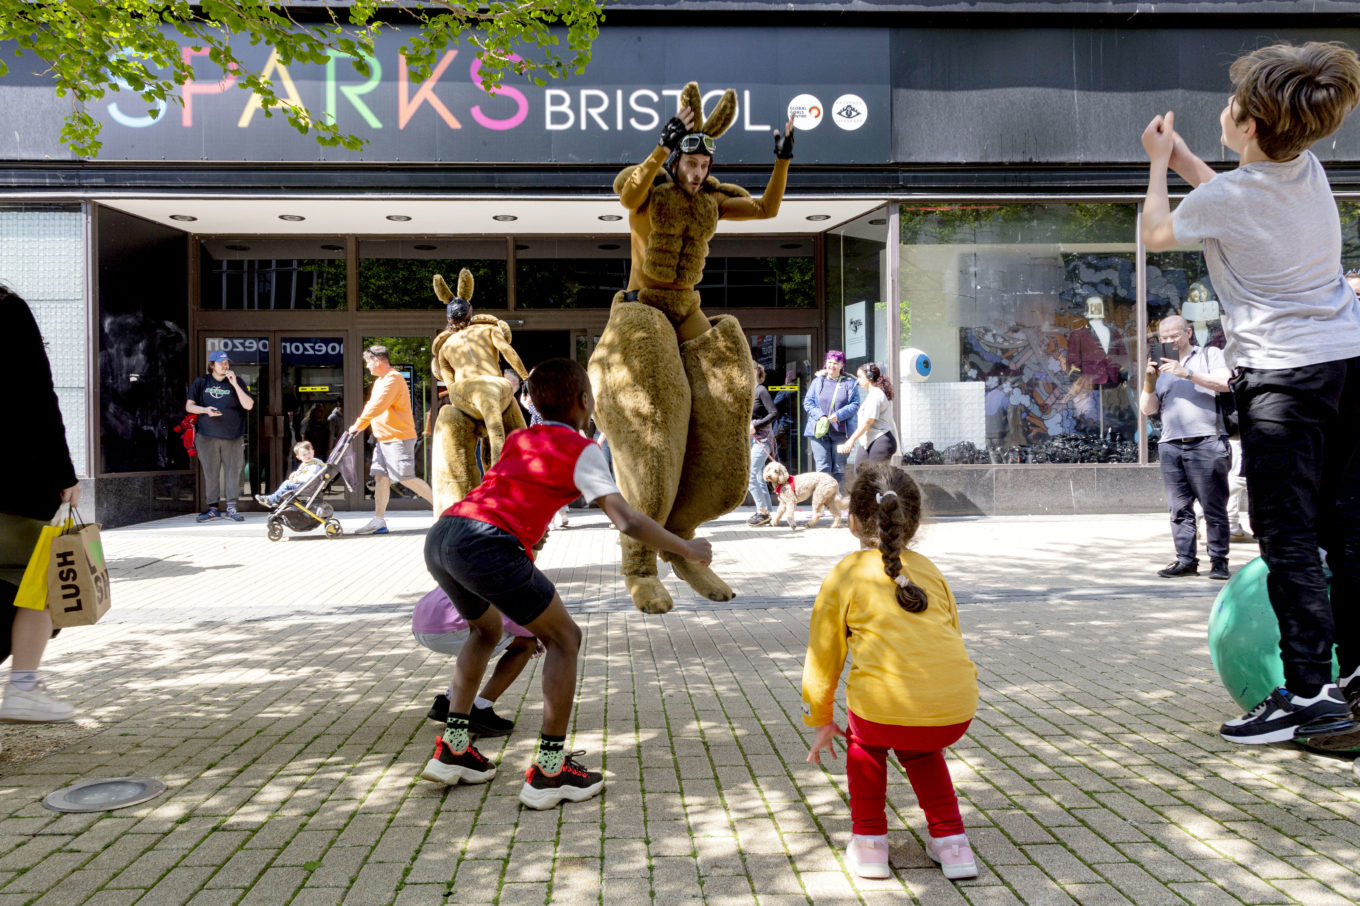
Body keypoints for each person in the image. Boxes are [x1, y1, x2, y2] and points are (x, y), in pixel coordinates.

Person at [1140, 41, 1360, 743]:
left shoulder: (1229, 197)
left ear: (1252, 126)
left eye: (1234, 107)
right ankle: (1354, 680)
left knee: (1288, 534)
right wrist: (1185, 164)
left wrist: (1154, 165)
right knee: (1347, 530)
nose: (1225, 112)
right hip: (1347, 367)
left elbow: (1158, 231)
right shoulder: (1309, 171)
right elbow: (1230, 201)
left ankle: (1307, 696)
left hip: (1283, 381)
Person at [421, 358, 713, 808]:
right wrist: (686, 548)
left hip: (445, 535)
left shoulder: (520, 439)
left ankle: (454, 747)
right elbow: (627, 520)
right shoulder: (582, 448)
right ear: (584, 401)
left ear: (533, 402)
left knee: (486, 631)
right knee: (565, 639)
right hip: (487, 543)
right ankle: (550, 772)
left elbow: (514, 491)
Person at [586, 81, 794, 615]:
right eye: (691, 163)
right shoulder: (648, 194)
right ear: (678, 160)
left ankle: (684, 546)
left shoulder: (714, 204)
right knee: (656, 434)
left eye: (705, 166)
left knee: (726, 397)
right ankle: (639, 565)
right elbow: (626, 193)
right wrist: (661, 143)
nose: (698, 173)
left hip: (685, 306)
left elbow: (769, 209)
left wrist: (783, 157)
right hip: (644, 307)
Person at [802, 463, 978, 882]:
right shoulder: (931, 570)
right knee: (918, 746)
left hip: (884, 711)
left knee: (865, 743)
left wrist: (821, 718)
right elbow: (949, 635)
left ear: (854, 520)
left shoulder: (846, 572)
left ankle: (869, 844)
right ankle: (953, 844)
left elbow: (823, 654)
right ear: (912, 522)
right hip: (953, 711)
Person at [0, 285, 80, 725]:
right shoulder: (7, 309)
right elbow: (37, 397)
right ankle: (24, 687)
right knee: (42, 583)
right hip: (13, 482)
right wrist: (64, 474)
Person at [1138, 315, 1232, 580]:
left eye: (1173, 336)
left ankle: (1219, 560)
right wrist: (1149, 380)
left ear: (1187, 333)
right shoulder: (1158, 367)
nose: (1168, 341)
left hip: (1207, 441)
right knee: (1178, 509)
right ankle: (1186, 560)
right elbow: (1148, 409)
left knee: (1213, 507)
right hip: (1170, 444)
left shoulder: (1209, 355)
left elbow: (1225, 383)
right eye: (1163, 338)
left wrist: (1186, 373)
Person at [413, 585, 541, 735]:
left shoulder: (471, 560)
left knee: (473, 646)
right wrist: (535, 635)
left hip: (421, 624)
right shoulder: (510, 569)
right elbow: (506, 615)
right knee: (526, 645)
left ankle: (448, 701)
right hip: (449, 627)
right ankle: (480, 708)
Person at [349, 346, 436, 535]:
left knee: (404, 477)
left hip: (398, 438)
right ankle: (378, 521)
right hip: (383, 439)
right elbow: (372, 405)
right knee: (381, 477)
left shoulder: (393, 379)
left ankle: (445, 510)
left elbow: (378, 406)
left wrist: (358, 425)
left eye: (368, 362)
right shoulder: (380, 381)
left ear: (378, 361)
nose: (367, 366)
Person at [186, 349, 255, 522]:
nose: (225, 365)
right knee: (211, 472)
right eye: (221, 362)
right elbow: (189, 406)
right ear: (212, 365)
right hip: (207, 436)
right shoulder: (202, 382)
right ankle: (213, 509)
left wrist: (235, 385)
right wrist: (205, 410)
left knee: (233, 472)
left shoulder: (236, 381)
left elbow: (249, 405)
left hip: (233, 435)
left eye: (226, 362)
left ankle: (231, 508)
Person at [803, 350, 860, 485]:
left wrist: (839, 415)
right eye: (829, 362)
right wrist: (821, 416)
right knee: (823, 468)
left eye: (836, 363)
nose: (832, 366)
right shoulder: (818, 381)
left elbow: (855, 404)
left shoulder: (850, 383)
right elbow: (808, 402)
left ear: (842, 365)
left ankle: (838, 501)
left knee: (839, 469)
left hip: (841, 433)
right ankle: (824, 502)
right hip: (819, 432)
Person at [839, 362, 899, 465]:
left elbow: (868, 422)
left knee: (874, 478)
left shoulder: (875, 395)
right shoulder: (872, 394)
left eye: (860, 377)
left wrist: (851, 440)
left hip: (880, 440)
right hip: (870, 440)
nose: (858, 380)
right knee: (859, 471)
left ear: (869, 376)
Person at [747, 362, 779, 526]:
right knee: (759, 476)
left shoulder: (761, 390)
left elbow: (774, 413)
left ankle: (762, 512)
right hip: (751, 439)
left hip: (763, 438)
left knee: (751, 475)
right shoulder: (749, 391)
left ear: (755, 371)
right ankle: (769, 514)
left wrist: (756, 425)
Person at [254, 441, 325, 507]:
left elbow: (310, 477)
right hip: (305, 485)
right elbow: (301, 472)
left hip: (308, 486)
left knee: (286, 484)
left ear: (313, 451)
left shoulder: (315, 465)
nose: (307, 456)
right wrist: (295, 474)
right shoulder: (306, 463)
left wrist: (297, 479)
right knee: (286, 486)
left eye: (309, 452)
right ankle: (276, 499)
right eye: (304, 455)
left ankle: (271, 500)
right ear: (299, 457)